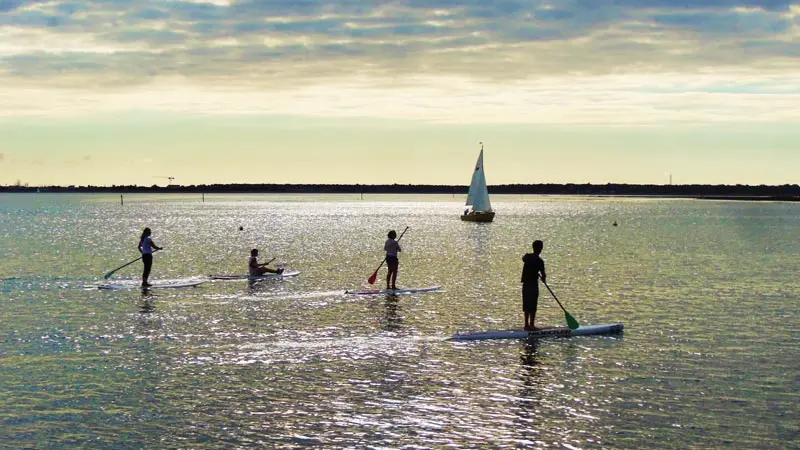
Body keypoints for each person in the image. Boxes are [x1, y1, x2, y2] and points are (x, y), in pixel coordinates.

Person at [521, 240, 546, 331]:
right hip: (532, 284)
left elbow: (523, 258)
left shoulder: (528, 257)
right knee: (532, 305)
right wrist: (543, 278)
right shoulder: (539, 261)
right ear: (540, 249)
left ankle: (526, 325)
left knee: (527, 304)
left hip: (526, 284)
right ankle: (531, 325)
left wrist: (543, 277)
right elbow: (543, 275)